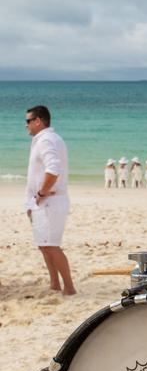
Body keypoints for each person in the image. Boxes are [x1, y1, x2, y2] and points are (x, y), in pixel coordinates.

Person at [25, 105, 76, 295]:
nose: (26, 126)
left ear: (38, 121)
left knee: (52, 245)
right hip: (43, 201)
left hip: (49, 201)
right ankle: (55, 283)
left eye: (28, 121)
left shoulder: (46, 140)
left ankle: (69, 287)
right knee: (44, 244)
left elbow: (53, 170)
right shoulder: (46, 139)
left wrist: (40, 194)